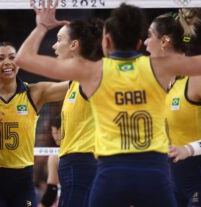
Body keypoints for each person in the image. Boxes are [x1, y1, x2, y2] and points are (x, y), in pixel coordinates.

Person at [14, 1, 201, 206]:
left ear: (107, 41)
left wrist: (42, 25)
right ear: (139, 43)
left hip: (112, 173)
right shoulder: (162, 67)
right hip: (153, 172)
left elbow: (23, 59)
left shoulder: (92, 71)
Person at [0, 41, 69, 207]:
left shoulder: (35, 93)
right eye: (0, 58)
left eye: (12, 57)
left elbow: (74, 85)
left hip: (22, 179)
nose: (8, 62)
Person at [144, 9, 201, 207]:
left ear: (164, 41)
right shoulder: (164, 84)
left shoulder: (195, 79)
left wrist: (189, 148)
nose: (145, 42)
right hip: (174, 182)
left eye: (149, 35)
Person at [48, 19, 103, 207]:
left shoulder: (92, 77)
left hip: (84, 162)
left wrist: (41, 27)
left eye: (59, 39)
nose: (54, 45)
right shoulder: (75, 81)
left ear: (74, 45)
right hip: (75, 164)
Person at [40, 115, 61, 207]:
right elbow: (52, 190)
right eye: (53, 132)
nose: (55, 136)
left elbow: (52, 190)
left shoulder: (55, 157)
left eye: (58, 132)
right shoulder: (54, 156)